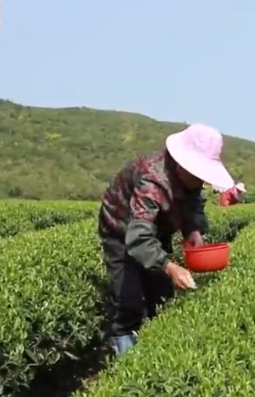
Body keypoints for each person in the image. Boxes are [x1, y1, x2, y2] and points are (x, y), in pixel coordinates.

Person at [98, 123, 236, 356]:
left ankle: (155, 351)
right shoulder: (152, 181)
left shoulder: (189, 179)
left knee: (161, 294)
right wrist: (170, 267)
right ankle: (124, 359)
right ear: (182, 166)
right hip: (122, 232)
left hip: (156, 230)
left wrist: (193, 230)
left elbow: (192, 204)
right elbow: (138, 237)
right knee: (127, 300)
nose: (201, 181)